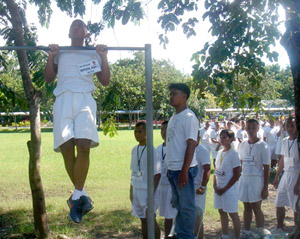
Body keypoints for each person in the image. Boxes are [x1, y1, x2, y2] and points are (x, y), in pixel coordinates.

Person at [44, 19, 110, 223]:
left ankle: (75, 197)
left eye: (81, 26)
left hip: (84, 99)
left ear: (87, 33)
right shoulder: (61, 52)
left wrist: (103, 56)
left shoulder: (93, 52)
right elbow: (48, 78)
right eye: (74, 25)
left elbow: (105, 81)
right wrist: (51, 56)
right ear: (68, 32)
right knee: (65, 146)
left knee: (83, 145)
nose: (77, 27)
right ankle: (82, 196)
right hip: (63, 98)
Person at [165, 83, 199, 239]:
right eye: (170, 94)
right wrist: (169, 166)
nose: (171, 97)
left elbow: (191, 144)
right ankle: (180, 233)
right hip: (173, 168)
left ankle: (186, 235)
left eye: (174, 93)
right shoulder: (173, 117)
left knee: (187, 206)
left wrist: (184, 171)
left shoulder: (189, 117)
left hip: (183, 169)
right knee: (178, 205)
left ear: (184, 96)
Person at [238, 119, 270, 239]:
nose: (251, 131)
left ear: (258, 129)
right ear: (245, 129)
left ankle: (260, 231)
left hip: (256, 179)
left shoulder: (263, 146)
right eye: (248, 128)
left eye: (253, 128)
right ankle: (246, 231)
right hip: (245, 178)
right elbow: (241, 164)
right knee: (246, 206)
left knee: (256, 206)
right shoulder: (242, 145)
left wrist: (265, 187)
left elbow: (266, 168)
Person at [129, 121, 161, 239]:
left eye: (140, 132)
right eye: (135, 132)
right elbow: (133, 171)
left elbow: (157, 174)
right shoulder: (134, 149)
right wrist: (131, 190)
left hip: (148, 190)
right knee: (142, 219)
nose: (137, 134)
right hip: (137, 188)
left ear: (147, 133)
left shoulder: (152, 150)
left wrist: (151, 194)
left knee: (150, 219)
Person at [273, 117, 300, 234]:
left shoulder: (298, 142)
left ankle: (296, 228)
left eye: (292, 126)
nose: (289, 129)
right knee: (279, 201)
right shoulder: (284, 141)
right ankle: (279, 226)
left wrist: (298, 183)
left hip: (296, 174)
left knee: (295, 204)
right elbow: (282, 160)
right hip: (286, 173)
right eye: (287, 126)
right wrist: (277, 176)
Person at [214, 129, 241, 239]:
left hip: (229, 188)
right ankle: (224, 235)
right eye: (221, 137)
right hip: (219, 187)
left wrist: (225, 188)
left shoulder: (234, 154)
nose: (222, 139)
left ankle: (237, 236)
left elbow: (236, 174)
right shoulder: (220, 153)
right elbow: (216, 170)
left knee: (232, 213)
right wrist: (215, 185)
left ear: (230, 139)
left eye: (225, 137)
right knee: (222, 212)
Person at [157, 121, 177, 238]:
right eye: (162, 130)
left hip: (171, 187)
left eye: (166, 129)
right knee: (165, 215)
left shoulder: (175, 149)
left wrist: (175, 192)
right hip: (161, 187)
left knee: (171, 215)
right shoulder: (157, 149)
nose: (164, 132)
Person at [194, 130, 211, 239]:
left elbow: (207, 169)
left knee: (197, 217)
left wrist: (203, 186)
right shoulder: (185, 149)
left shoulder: (202, 151)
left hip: (198, 189)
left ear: (198, 137)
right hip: (187, 188)